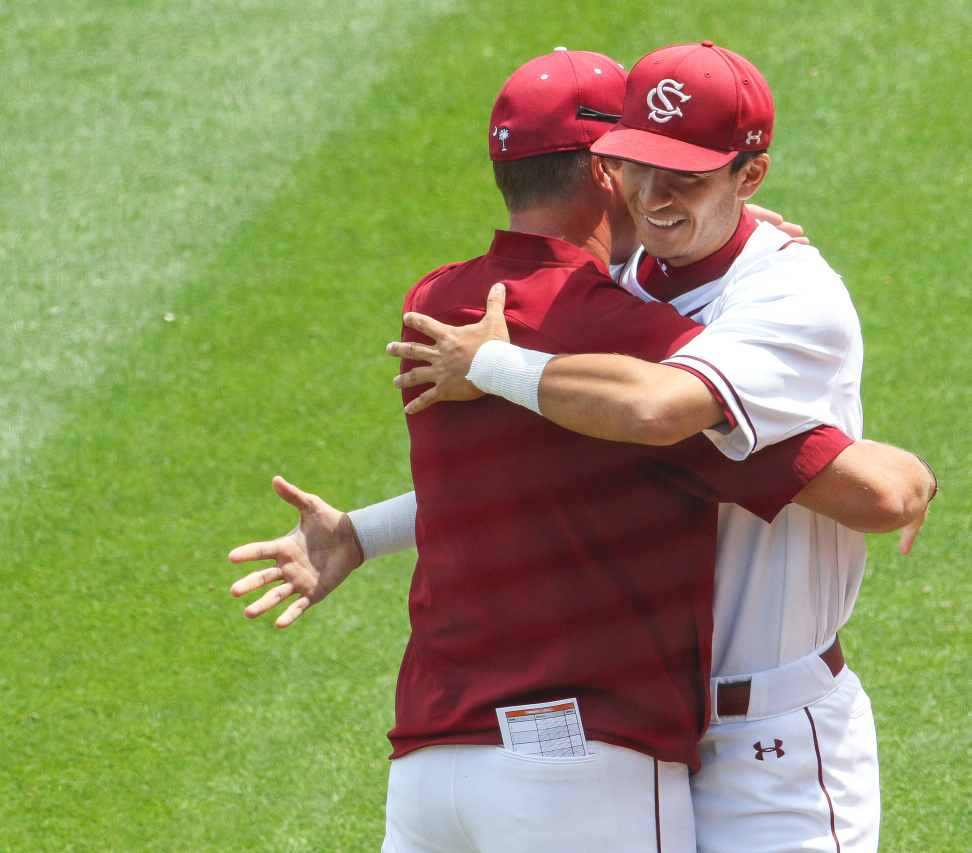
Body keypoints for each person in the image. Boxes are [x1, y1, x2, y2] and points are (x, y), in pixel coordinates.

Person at [229, 48, 932, 853]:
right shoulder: (618, 293)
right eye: (641, 167)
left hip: (764, 739)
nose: (657, 197)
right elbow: (562, 484)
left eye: (689, 177)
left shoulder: (782, 294)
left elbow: (660, 412)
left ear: (750, 176)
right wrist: (367, 530)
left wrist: (490, 365)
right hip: (642, 730)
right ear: (606, 167)